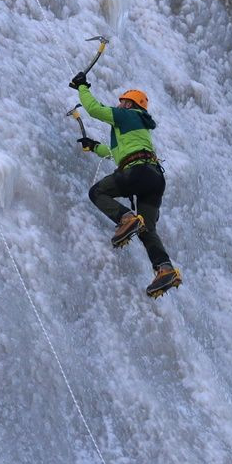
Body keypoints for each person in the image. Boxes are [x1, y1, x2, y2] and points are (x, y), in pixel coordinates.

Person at [70, 70, 182, 298]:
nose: (119, 105)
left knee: (97, 192)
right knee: (146, 229)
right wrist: (93, 147)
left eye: (122, 102)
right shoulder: (136, 126)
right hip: (154, 178)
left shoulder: (126, 116)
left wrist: (82, 87)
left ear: (130, 104)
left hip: (137, 172)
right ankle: (165, 269)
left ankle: (126, 218)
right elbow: (116, 153)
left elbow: (94, 110)